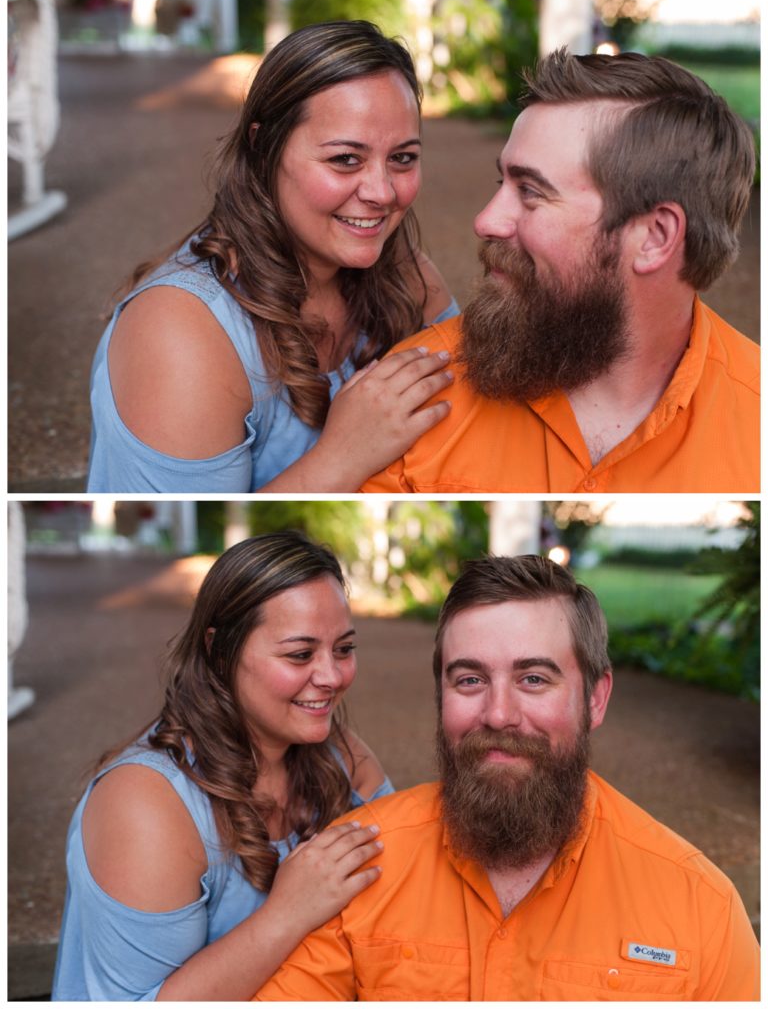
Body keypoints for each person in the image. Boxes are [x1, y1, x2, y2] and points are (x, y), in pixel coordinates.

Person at [255, 554, 760, 1001]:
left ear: (595, 698)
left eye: (533, 679)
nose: (499, 714)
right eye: (470, 680)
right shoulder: (353, 869)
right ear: (441, 697)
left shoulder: (699, 905)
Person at [362, 49, 759, 494]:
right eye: (503, 183)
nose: (486, 221)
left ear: (654, 237)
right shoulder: (407, 400)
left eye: (531, 191)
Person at [87, 20, 457, 493]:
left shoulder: (407, 275)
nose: (383, 193)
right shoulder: (179, 333)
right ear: (264, 147)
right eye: (345, 159)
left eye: (402, 158)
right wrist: (344, 456)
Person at [52, 531, 392, 1000]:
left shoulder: (343, 758)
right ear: (219, 650)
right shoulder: (144, 803)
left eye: (344, 649)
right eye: (300, 654)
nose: (332, 676)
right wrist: (287, 915)